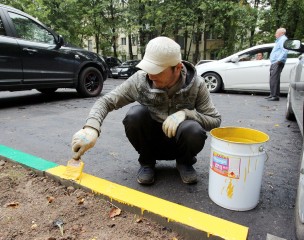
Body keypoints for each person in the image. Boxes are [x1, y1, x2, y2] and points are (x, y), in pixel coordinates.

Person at [71, 36, 221, 185]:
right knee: (135, 115)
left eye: (157, 70)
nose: (150, 75)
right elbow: (106, 101)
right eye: (148, 68)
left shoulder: (197, 84)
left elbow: (214, 120)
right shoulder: (140, 80)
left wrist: (186, 114)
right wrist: (91, 128)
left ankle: (184, 163)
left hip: (180, 143)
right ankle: (147, 163)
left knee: (193, 128)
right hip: (150, 144)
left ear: (178, 68)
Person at [265, 27, 288, 101]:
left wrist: (279, 60)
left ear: (281, 33)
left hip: (277, 62)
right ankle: (272, 94)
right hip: (275, 62)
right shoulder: (279, 40)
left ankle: (275, 96)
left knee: (274, 79)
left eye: (276, 33)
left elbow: (284, 50)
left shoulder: (283, 39)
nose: (275, 34)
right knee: (273, 78)